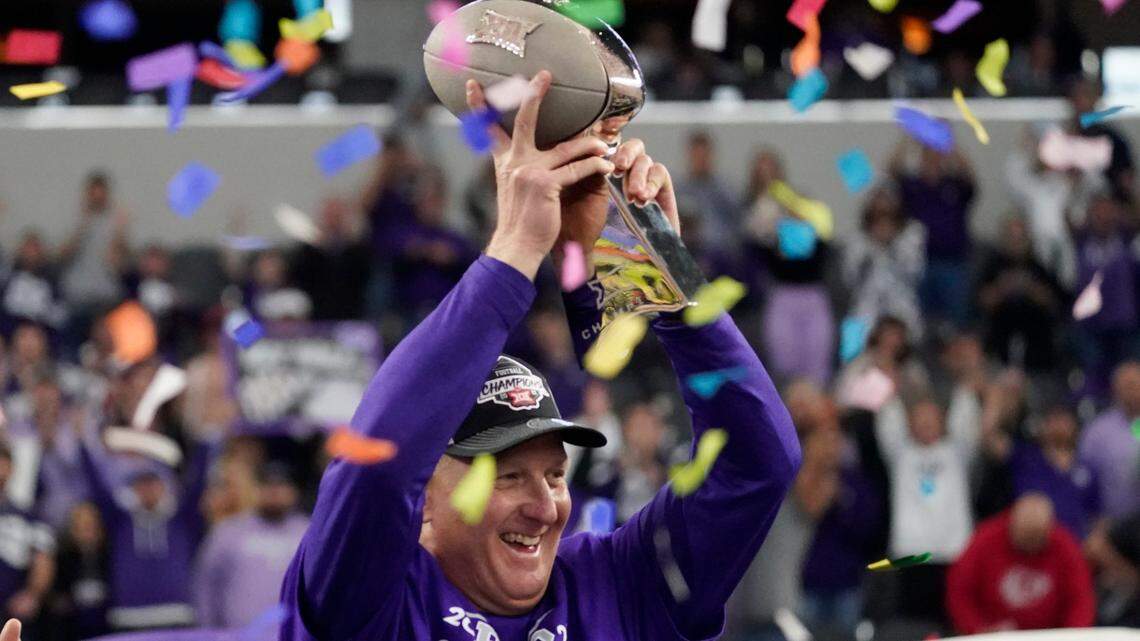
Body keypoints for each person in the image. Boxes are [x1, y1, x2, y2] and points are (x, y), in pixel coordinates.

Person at [278, 71, 800, 641]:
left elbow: (758, 463)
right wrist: (515, 250)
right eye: (507, 477)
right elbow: (376, 469)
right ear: (423, 500)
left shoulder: (622, 583)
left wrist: (666, 285)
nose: (546, 506)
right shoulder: (372, 598)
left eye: (554, 473)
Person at [946, 493, 1095, 634]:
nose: (1030, 544)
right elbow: (960, 590)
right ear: (1011, 523)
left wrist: (1070, 635)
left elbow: (1081, 600)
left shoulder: (1065, 547)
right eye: (1025, 535)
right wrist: (976, 629)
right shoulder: (985, 541)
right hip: (993, 635)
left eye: (1036, 537)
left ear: (1049, 529)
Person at [193, 462, 309, 628]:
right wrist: (209, 631)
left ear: (294, 492)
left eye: (281, 486)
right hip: (237, 634)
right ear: (256, 490)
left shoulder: (308, 533)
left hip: (294, 634)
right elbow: (206, 584)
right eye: (268, 486)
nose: (274, 492)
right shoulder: (228, 531)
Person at [889, 137, 977, 329]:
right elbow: (891, 171)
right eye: (927, 157)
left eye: (936, 156)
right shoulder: (913, 187)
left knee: (957, 322)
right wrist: (910, 135)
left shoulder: (954, 185)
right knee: (918, 321)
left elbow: (971, 178)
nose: (932, 161)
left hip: (953, 263)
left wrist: (948, 141)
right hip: (918, 265)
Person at [56, 172, 129, 357]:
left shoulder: (115, 224)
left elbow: (120, 266)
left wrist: (119, 234)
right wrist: (82, 225)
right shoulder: (74, 220)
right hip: (77, 298)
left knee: (112, 351)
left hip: (106, 299)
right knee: (71, 351)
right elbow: (61, 257)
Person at [841, 186, 926, 341]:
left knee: (910, 335)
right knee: (854, 334)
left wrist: (891, 244)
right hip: (867, 301)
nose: (882, 205)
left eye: (886, 199)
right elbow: (850, 279)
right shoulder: (856, 237)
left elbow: (915, 273)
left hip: (901, 300)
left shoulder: (913, 233)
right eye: (877, 199)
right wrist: (874, 246)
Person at [0, 442, 55, 632]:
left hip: (12, 611)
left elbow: (43, 560)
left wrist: (32, 595)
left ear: (12, 469)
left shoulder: (31, 517)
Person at [1078, 360, 1140, 519]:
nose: (1133, 391)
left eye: (1135, 384)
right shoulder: (1097, 431)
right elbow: (1085, 479)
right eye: (1127, 385)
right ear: (1115, 389)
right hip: (1110, 525)